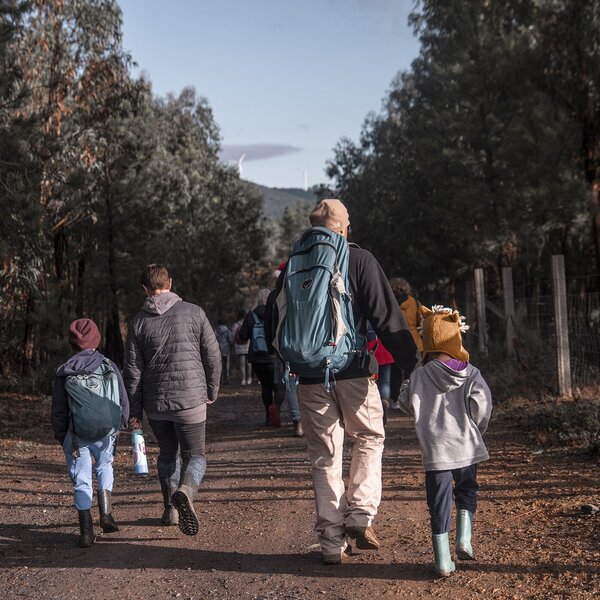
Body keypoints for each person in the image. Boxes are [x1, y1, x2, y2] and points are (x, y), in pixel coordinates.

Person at [267, 199, 418, 565]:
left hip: (308, 376)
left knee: (324, 456)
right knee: (369, 436)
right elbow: (387, 317)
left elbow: (274, 320)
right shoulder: (359, 259)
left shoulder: (293, 264)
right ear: (344, 228)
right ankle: (361, 513)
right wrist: (412, 365)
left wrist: (291, 362)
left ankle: (332, 544)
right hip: (352, 370)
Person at [124, 264, 221, 536]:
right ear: (170, 282)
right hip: (191, 400)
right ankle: (186, 491)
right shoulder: (194, 312)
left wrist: (134, 411)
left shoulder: (137, 322)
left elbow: (133, 372)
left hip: (156, 404)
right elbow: (213, 356)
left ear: (144, 289)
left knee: (167, 454)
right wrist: (211, 390)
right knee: (195, 455)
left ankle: (170, 510)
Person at [397, 305, 492, 577]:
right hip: (466, 447)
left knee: (438, 502)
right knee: (467, 490)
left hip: (436, 453)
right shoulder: (471, 373)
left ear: (427, 340)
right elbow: (483, 407)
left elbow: (404, 403)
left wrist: (409, 384)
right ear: (455, 338)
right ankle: (464, 539)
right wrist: (476, 431)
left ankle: (442, 560)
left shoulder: (419, 375)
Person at [52, 318, 129, 547]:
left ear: (72, 343)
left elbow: (58, 411)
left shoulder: (65, 371)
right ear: (97, 339)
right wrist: (120, 424)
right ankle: (106, 514)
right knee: (105, 466)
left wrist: (62, 437)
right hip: (106, 432)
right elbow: (122, 399)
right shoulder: (108, 365)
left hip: (77, 435)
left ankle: (86, 532)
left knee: (81, 479)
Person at [236, 288, 284, 426]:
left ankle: (269, 416)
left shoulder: (250, 315)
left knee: (266, 387)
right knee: (279, 387)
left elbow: (243, 336)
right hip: (274, 356)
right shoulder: (276, 312)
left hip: (257, 359)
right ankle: (277, 408)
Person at [389, 277, 422, 407]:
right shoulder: (413, 302)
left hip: (394, 340)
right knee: (413, 371)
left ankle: (396, 400)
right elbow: (420, 321)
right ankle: (414, 398)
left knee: (395, 374)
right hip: (414, 340)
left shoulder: (390, 302)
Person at [231, 309, 251, 385]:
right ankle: (249, 378)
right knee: (249, 364)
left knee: (242, 364)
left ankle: (243, 380)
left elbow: (233, 336)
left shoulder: (235, 325)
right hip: (247, 346)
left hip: (239, 347)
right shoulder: (247, 323)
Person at [214, 318, 233, 385]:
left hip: (218, 349)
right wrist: (231, 345)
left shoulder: (215, 330)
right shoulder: (227, 330)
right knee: (226, 365)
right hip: (226, 349)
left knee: (219, 365)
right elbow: (230, 340)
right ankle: (226, 379)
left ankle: (220, 379)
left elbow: (213, 339)